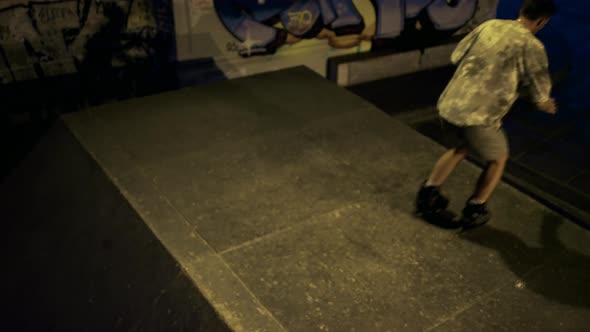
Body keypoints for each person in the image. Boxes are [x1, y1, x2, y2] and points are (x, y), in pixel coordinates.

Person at [416, 0, 558, 228]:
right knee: (498, 158)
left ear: (522, 11)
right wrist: (547, 104)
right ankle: (476, 207)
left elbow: (456, 56)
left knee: (461, 147)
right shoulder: (531, 46)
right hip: (478, 117)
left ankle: (428, 194)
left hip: (450, 104)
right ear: (542, 21)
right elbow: (541, 95)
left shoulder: (489, 25)